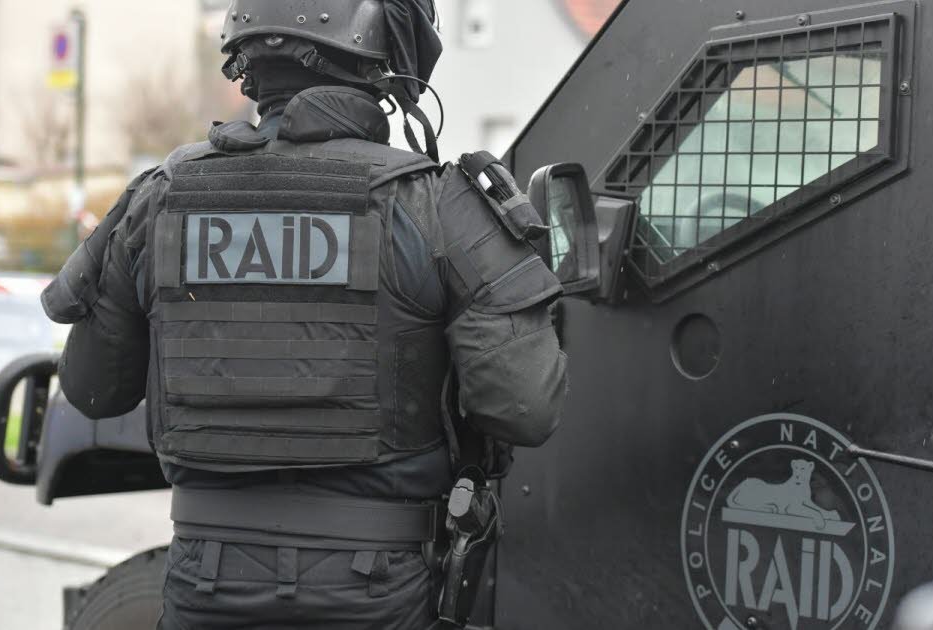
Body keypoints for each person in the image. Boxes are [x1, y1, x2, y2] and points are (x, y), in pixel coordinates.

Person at [40, 1, 568, 628]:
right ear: (384, 57)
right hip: (377, 590)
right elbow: (523, 407)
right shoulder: (438, 205)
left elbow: (92, 390)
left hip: (204, 585)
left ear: (246, 60)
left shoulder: (159, 198)